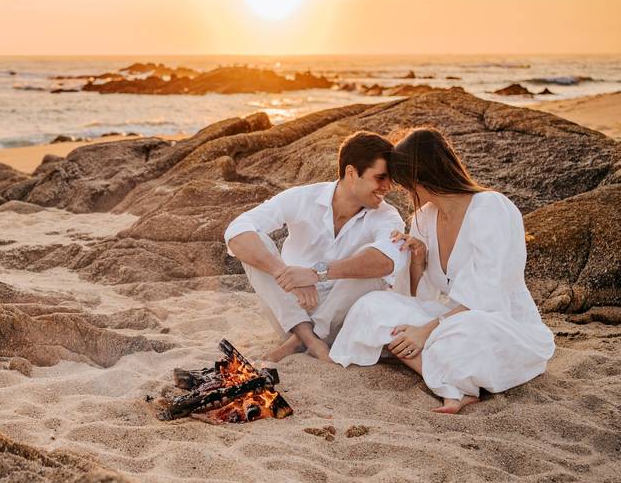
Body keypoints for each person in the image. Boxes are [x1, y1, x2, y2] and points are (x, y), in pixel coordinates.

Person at [329, 128, 555, 414]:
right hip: (444, 316)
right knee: (371, 306)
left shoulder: (491, 208)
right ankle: (447, 381)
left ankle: (442, 377)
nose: (408, 192)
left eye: (408, 184)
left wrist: (424, 331)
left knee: (468, 332)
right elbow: (419, 296)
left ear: (424, 176)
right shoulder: (424, 218)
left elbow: (487, 296)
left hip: (497, 321)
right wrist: (417, 261)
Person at [224, 131, 408, 363]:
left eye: (390, 179)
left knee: (375, 270)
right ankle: (305, 337)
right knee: (253, 243)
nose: (388, 186)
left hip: (338, 323)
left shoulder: (387, 216)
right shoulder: (302, 197)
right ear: (351, 173)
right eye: (380, 178)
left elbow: (387, 261)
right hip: (291, 313)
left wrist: (315, 274)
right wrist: (287, 275)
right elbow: (237, 230)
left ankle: (307, 339)